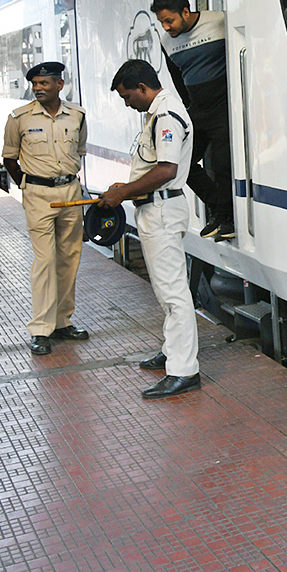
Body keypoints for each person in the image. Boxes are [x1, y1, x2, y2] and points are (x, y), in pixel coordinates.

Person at [100, 59, 201, 399]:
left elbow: (167, 169)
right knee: (165, 291)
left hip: (161, 209)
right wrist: (125, 187)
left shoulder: (167, 115)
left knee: (174, 293)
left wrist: (122, 193)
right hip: (154, 207)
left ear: (143, 88)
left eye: (128, 97)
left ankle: (184, 370)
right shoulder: (156, 113)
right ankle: (173, 351)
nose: (128, 104)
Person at [1, 61, 89, 356]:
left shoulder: (77, 116)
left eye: (44, 84)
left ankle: (63, 322)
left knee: (69, 259)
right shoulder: (19, 118)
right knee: (44, 261)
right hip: (38, 195)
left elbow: (79, 152)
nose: (38, 88)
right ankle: (41, 329)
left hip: (70, 192)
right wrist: (28, 186)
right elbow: (10, 158)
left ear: (59, 85)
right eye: (35, 84)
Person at [150, 0, 234, 240]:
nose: (166, 27)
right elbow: (177, 76)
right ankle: (218, 208)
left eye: (169, 20)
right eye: (161, 22)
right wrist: (188, 107)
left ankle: (228, 218)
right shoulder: (167, 41)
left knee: (222, 165)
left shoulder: (219, 22)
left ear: (185, 12)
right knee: (179, 163)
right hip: (198, 109)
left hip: (223, 107)